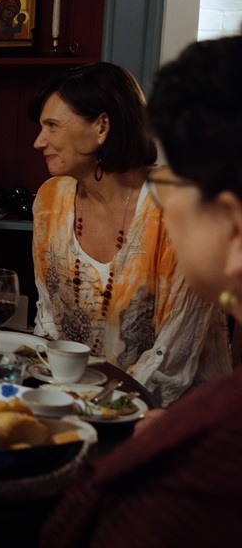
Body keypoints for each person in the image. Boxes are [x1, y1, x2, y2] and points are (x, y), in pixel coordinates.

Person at [41, 34, 242, 548]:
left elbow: (174, 367)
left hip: (145, 417)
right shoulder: (52, 198)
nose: (165, 194)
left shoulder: (210, 450)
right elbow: (48, 323)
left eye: (177, 180)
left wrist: (160, 428)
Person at [29, 62, 231, 407]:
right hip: (78, 402)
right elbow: (48, 320)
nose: (39, 141)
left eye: (52, 125)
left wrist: (95, 408)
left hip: (173, 414)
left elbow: (173, 358)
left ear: (102, 126)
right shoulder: (51, 199)